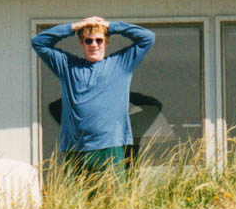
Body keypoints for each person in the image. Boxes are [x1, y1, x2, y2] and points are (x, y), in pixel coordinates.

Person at [31, 16, 155, 179]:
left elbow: (147, 38)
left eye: (99, 40)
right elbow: (39, 42)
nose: (94, 45)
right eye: (88, 41)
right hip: (75, 149)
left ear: (106, 42)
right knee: (75, 203)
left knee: (115, 202)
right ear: (82, 43)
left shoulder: (120, 64)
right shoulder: (68, 66)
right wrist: (75, 27)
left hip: (110, 147)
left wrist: (111, 26)